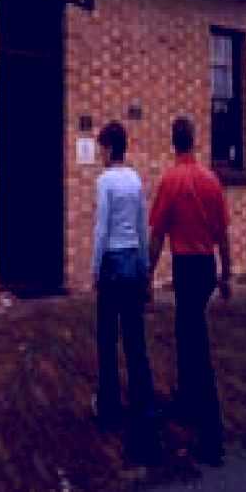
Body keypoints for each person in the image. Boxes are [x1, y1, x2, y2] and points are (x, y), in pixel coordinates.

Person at [148, 116, 232, 466]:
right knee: (187, 334)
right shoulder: (211, 180)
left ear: (173, 142)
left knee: (195, 344)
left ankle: (212, 438)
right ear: (194, 141)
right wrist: (228, 274)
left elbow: (156, 236)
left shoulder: (170, 180)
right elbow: (223, 235)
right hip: (206, 267)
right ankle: (185, 402)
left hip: (185, 266)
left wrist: (147, 278)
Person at [92, 121, 160, 461]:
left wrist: (94, 267)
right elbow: (142, 225)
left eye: (102, 147)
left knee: (107, 338)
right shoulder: (135, 180)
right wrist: (146, 268)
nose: (100, 153)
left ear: (108, 148)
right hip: (134, 263)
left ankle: (109, 408)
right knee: (135, 341)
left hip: (112, 264)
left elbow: (102, 229)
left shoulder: (104, 182)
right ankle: (144, 409)